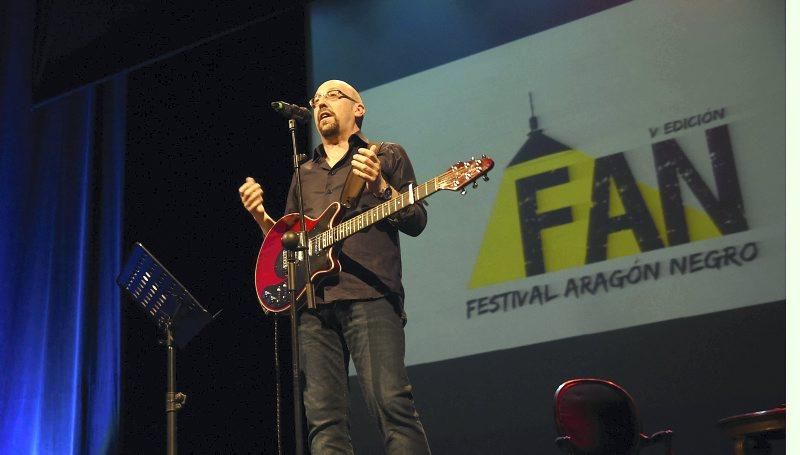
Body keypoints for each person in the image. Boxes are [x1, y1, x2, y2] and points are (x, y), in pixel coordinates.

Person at [238, 80, 431, 454]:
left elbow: (416, 219)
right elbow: (290, 245)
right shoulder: (303, 173)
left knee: (392, 405)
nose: (322, 102)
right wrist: (262, 218)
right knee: (324, 425)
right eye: (317, 99)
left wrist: (379, 184)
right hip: (312, 304)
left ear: (359, 109)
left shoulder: (385, 155)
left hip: (370, 296)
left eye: (334, 95)